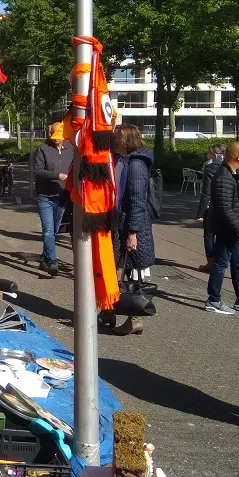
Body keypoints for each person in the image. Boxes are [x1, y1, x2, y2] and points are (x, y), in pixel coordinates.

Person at [110, 124, 156, 335]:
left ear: (126, 141)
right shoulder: (123, 159)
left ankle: (134, 318)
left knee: (132, 274)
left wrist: (133, 232)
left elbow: (137, 200)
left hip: (130, 225)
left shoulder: (136, 164)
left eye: (117, 137)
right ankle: (108, 310)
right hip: (121, 223)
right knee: (118, 270)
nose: (114, 140)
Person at [205, 141, 239, 315]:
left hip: (232, 229)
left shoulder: (231, 174)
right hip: (227, 230)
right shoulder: (224, 177)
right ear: (238, 157)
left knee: (238, 264)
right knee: (221, 265)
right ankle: (213, 300)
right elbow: (224, 207)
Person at [33, 122, 73, 278]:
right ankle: (53, 262)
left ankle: (44, 258)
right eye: (52, 133)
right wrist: (57, 175)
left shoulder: (70, 149)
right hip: (45, 196)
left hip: (62, 196)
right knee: (48, 230)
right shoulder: (43, 148)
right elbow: (38, 171)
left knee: (54, 231)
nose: (55, 137)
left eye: (58, 133)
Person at [195, 143, 226, 273]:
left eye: (208, 152)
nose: (206, 154)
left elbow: (206, 191)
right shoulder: (230, 165)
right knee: (223, 235)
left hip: (211, 206)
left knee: (208, 234)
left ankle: (211, 263)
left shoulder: (210, 166)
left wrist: (200, 212)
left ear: (213, 153)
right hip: (226, 206)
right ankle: (222, 263)